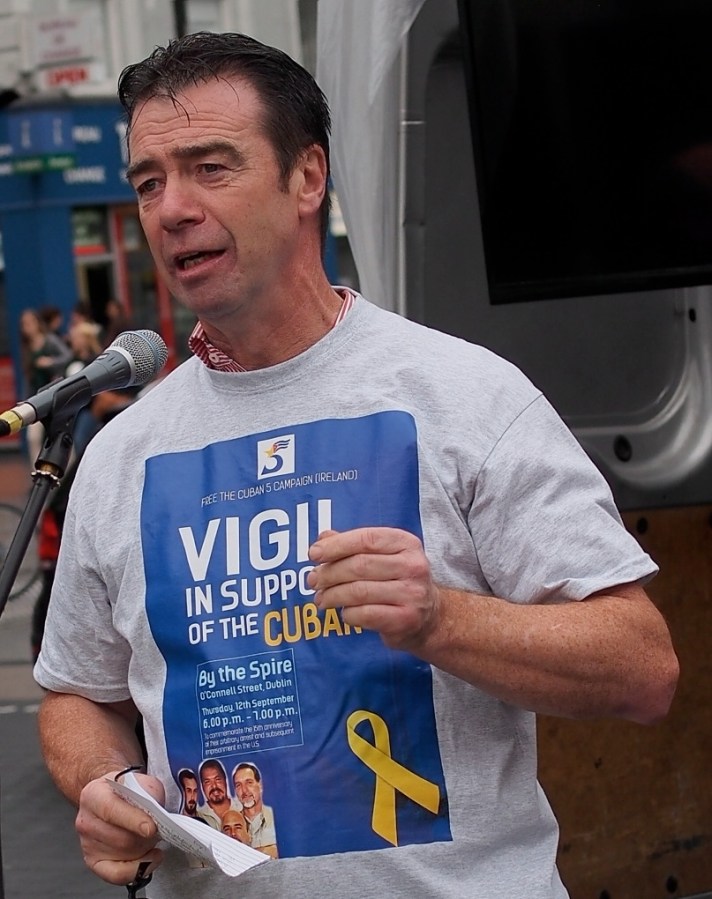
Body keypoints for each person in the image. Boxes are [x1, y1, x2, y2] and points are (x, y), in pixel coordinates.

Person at [33, 31, 679, 899]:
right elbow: (78, 694)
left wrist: (440, 619)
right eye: (149, 182)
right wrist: (105, 785)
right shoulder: (124, 452)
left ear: (308, 177)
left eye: (210, 167)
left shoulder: (464, 395)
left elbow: (641, 665)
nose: (172, 208)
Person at [232, 763, 278, 858]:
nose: (244, 790)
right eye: (238, 785)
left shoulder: (276, 817)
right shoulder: (231, 824)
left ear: (260, 785)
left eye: (249, 782)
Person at [196, 759, 242, 830]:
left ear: (225, 780)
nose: (214, 786)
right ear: (202, 786)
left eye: (218, 779)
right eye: (207, 782)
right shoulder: (198, 816)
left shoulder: (242, 808)